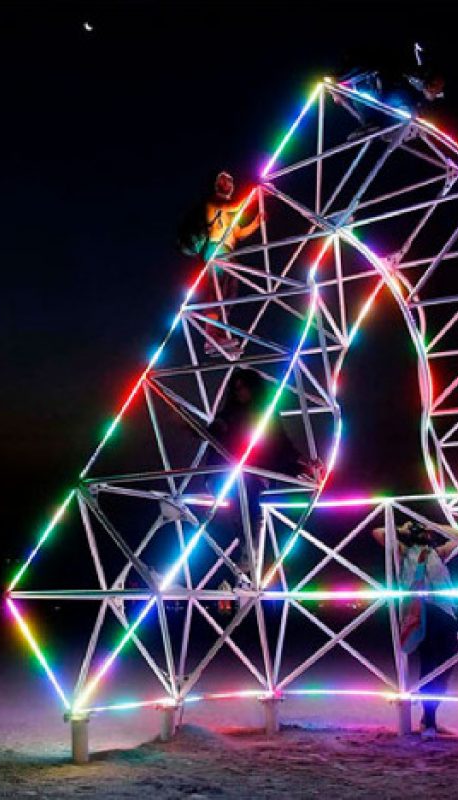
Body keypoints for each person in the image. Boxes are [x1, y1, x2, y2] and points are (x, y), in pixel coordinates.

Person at [206, 369, 324, 585]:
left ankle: (249, 559)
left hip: (252, 475)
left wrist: (305, 463)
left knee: (250, 507)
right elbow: (214, 430)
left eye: (244, 387)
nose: (240, 392)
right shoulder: (229, 416)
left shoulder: (266, 417)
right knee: (245, 504)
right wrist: (197, 429)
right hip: (228, 475)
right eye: (236, 389)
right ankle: (247, 556)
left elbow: (282, 445)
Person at [371, 518, 458, 739]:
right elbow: (378, 532)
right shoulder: (403, 552)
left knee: (446, 667)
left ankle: (429, 717)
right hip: (420, 611)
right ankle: (430, 723)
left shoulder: (439, 553)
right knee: (428, 664)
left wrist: (435, 527)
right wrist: (403, 529)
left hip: (445, 610)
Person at [201, 172, 263, 357]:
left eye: (230, 181)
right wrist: (253, 195)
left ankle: (219, 334)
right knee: (217, 292)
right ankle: (211, 337)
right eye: (224, 181)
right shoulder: (215, 203)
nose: (228, 184)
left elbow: (239, 233)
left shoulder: (228, 211)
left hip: (228, 251)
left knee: (229, 294)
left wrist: (256, 222)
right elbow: (235, 206)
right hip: (217, 249)